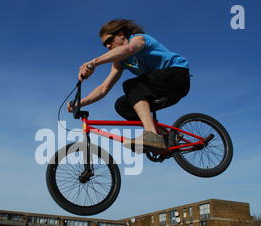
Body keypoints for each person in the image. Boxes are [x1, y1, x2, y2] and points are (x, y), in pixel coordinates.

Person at [68, 19, 190, 153]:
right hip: (162, 88)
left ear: (121, 34)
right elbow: (104, 88)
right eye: (104, 45)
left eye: (109, 41)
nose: (108, 46)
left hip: (177, 75)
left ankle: (151, 134)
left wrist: (94, 63)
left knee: (131, 84)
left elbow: (129, 49)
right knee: (122, 105)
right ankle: (168, 136)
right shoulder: (120, 62)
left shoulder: (138, 39)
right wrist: (80, 103)